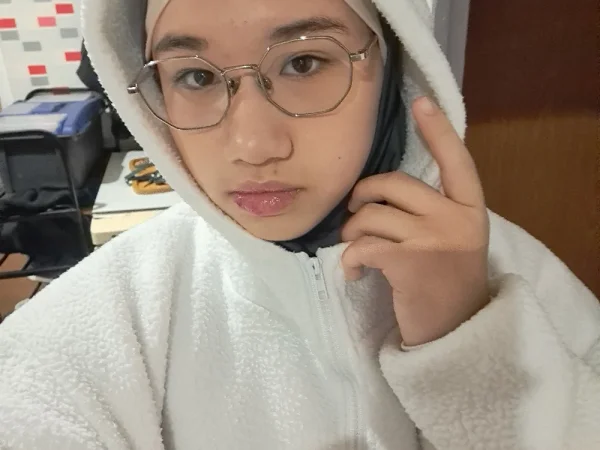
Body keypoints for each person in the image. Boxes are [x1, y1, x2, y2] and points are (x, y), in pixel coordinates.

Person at [0, 0, 599, 448]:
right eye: (196, 77)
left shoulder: (518, 275)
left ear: (396, 65)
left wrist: (467, 338)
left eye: (304, 61)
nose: (253, 145)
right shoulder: (107, 320)